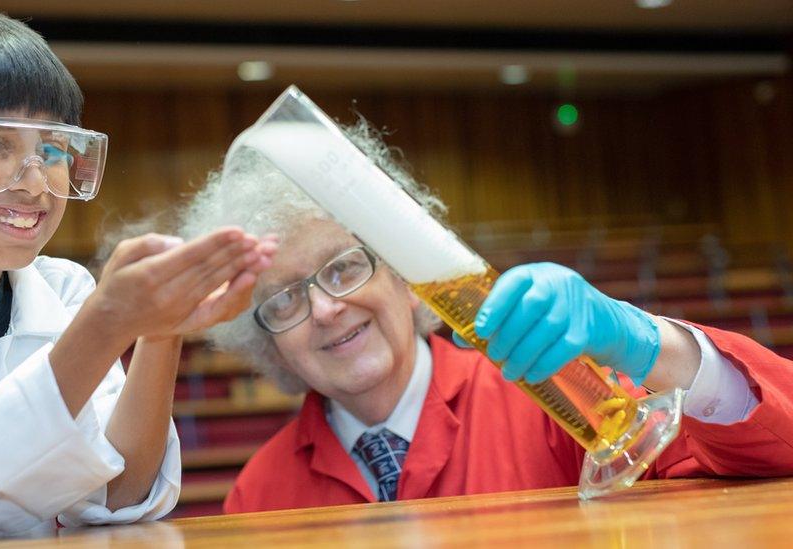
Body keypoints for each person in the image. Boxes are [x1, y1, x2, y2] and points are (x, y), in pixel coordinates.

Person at [0, 8, 275, 546]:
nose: (35, 184)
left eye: (54, 150)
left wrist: (160, 330)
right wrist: (104, 327)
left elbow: (120, 495)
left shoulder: (65, 290)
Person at [175, 118, 793, 514]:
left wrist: (648, 342)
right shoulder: (258, 493)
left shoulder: (553, 400)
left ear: (410, 279)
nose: (325, 308)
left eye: (343, 268)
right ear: (265, 344)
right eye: (283, 299)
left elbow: (772, 449)